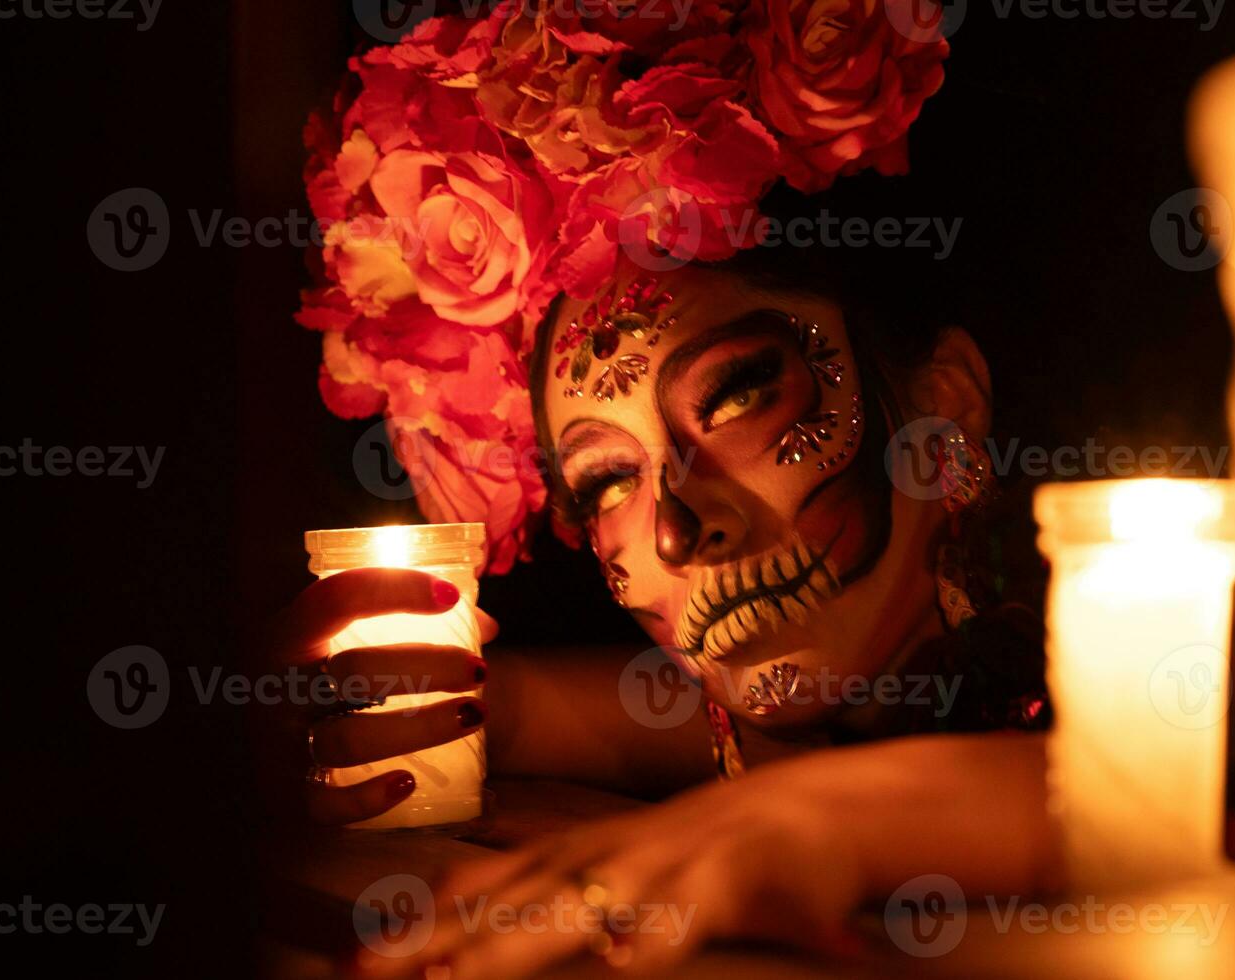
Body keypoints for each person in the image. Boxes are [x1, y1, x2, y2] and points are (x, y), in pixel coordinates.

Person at [271, 3, 1057, 973]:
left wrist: (804, 819)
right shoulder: (748, 719)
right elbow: (599, 716)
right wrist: (397, 712)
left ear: (942, 403)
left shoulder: (1175, 657)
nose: (677, 530)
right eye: (605, 479)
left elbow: (1152, 788)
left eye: (732, 398)